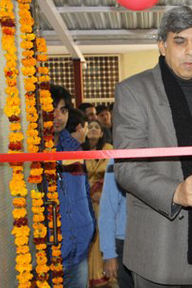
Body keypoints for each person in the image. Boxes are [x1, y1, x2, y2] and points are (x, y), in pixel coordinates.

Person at [113, 5, 192, 287]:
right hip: (161, 249)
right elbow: (127, 168)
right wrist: (174, 192)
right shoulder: (133, 91)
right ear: (162, 45)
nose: (190, 51)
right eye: (179, 42)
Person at [51, 84, 95, 287]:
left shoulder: (74, 148)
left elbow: (84, 191)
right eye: (52, 109)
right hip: (48, 253)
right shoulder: (30, 151)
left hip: (79, 248)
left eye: (63, 110)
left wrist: (90, 225)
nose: (58, 116)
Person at [82, 120, 113, 287]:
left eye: (97, 127)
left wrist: (101, 192)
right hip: (85, 200)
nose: (93, 129)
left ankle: (103, 274)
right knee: (89, 234)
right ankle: (90, 275)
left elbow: (112, 174)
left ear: (102, 133)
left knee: (101, 233)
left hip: (103, 200)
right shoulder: (80, 151)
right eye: (90, 127)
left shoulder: (107, 149)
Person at [99, 159, 134, 287]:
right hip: (125, 242)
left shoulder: (160, 152)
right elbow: (108, 208)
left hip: (156, 241)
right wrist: (109, 253)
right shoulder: (116, 160)